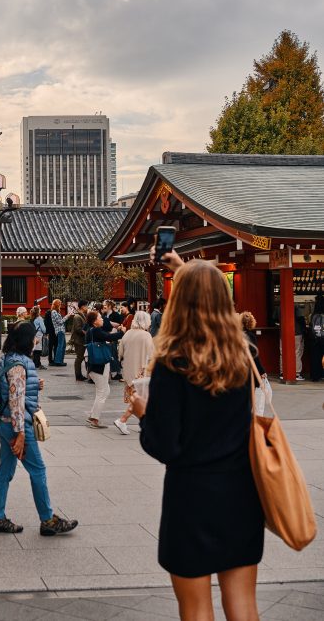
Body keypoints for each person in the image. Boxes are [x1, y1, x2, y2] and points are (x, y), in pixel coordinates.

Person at [130, 250, 264, 621]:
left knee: (196, 608)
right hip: (241, 492)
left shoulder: (173, 362)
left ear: (179, 302)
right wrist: (189, 271)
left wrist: (144, 414)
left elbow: (165, 445)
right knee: (243, 604)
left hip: (191, 497)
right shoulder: (244, 355)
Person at [0, 321, 78, 536]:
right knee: (38, 470)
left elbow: (13, 390)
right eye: (34, 336)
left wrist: (34, 384)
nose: (36, 339)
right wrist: (20, 434)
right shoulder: (19, 365)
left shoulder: (7, 358)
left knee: (5, 470)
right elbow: (16, 402)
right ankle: (48, 519)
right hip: (18, 426)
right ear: (27, 340)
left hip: (4, 423)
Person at [114, 311, 154, 435]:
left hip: (128, 372)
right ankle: (122, 420)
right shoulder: (146, 335)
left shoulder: (127, 334)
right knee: (140, 398)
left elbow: (120, 353)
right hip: (142, 372)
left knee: (138, 398)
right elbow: (152, 355)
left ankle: (143, 423)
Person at [84, 310, 124, 428]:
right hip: (99, 365)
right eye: (100, 317)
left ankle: (93, 415)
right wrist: (122, 332)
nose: (102, 319)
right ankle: (94, 419)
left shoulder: (91, 331)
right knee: (102, 392)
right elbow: (109, 337)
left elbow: (105, 336)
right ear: (94, 321)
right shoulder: (96, 330)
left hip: (94, 365)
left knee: (104, 391)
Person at [70, 300, 88, 381]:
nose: (87, 307)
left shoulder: (82, 315)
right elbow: (78, 329)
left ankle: (80, 375)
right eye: (86, 306)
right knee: (79, 358)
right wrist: (86, 332)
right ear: (83, 306)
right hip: (79, 340)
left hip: (81, 340)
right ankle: (78, 375)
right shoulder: (77, 316)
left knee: (81, 357)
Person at [309, 295, 324, 382]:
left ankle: (315, 375)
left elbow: (311, 327)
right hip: (323, 337)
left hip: (315, 339)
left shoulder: (314, 315)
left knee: (315, 357)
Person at [50, 299, 66, 365]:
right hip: (60, 330)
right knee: (60, 346)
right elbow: (60, 322)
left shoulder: (56, 312)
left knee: (63, 346)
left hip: (61, 331)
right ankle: (58, 361)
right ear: (57, 304)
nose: (60, 304)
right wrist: (67, 317)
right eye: (59, 303)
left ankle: (60, 361)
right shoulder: (54, 312)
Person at [31, 306, 47, 370]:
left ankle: (35, 363)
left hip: (33, 335)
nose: (40, 311)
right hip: (39, 335)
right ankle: (37, 364)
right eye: (40, 310)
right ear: (38, 312)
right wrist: (45, 331)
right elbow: (44, 329)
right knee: (38, 350)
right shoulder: (39, 318)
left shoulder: (32, 318)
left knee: (35, 349)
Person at [293, 306, 306, 381]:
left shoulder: (281, 309)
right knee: (297, 352)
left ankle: (283, 372)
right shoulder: (297, 310)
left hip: (283, 334)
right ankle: (297, 373)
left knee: (283, 353)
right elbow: (302, 322)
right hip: (297, 333)